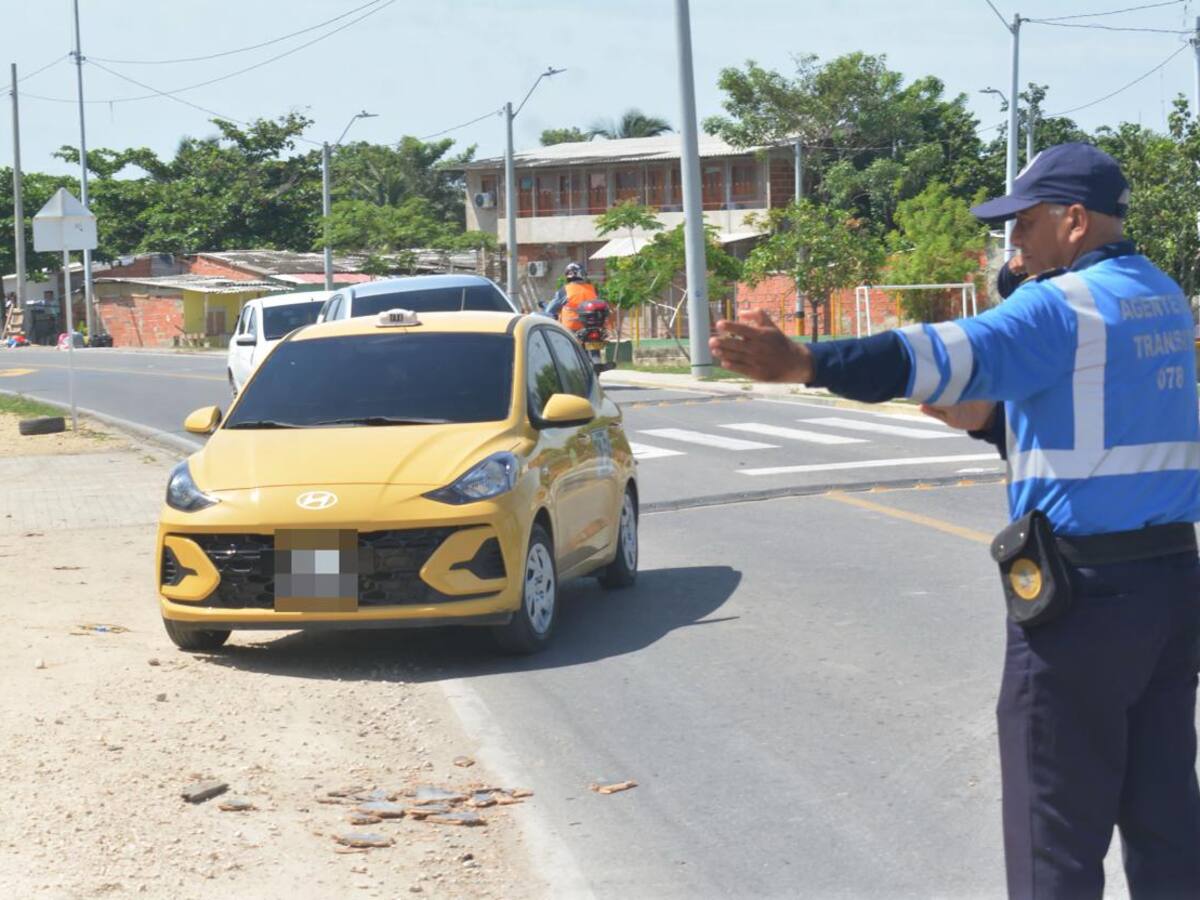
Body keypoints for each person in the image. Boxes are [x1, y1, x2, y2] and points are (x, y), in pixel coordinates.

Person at [710, 142, 1200, 899]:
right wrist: (984, 423)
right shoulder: (1160, 295)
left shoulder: (1061, 307)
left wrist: (805, 362)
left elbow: (929, 352)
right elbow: (1098, 421)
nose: (1012, 244)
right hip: (1170, 590)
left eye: (1024, 225)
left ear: (1074, 221)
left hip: (1085, 602)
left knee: (1054, 835)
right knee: (1165, 820)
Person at [544, 262, 597, 332]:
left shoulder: (564, 290)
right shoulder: (593, 289)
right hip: (592, 327)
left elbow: (550, 310)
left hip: (570, 330)